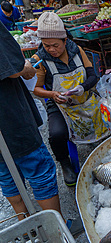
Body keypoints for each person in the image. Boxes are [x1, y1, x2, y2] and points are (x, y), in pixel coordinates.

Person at [32, 12, 109, 186]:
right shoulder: (39, 59)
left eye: (55, 45)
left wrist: (83, 87)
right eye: (46, 45)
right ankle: (65, 163)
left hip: (84, 98)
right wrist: (52, 94)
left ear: (65, 40)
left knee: (106, 121)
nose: (51, 50)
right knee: (57, 134)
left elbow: (92, 75)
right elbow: (36, 89)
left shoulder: (76, 50)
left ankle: (101, 152)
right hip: (59, 104)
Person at [0, 21, 61, 222]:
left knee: (6, 174)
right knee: (38, 169)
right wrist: (26, 67)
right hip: (10, 119)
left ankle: (26, 226)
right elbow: (13, 68)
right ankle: (56, 229)